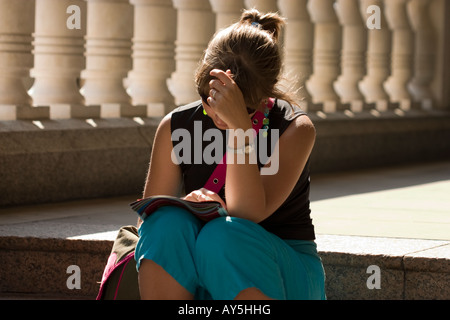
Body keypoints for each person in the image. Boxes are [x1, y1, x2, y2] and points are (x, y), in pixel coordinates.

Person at [134, 8, 326, 300]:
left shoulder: (296, 129)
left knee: (222, 236)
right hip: (205, 264)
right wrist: (186, 205)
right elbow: (146, 228)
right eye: (210, 100)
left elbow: (247, 214)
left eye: (240, 106)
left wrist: (240, 128)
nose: (219, 115)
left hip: (283, 267)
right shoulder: (175, 126)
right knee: (164, 224)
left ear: (264, 96)